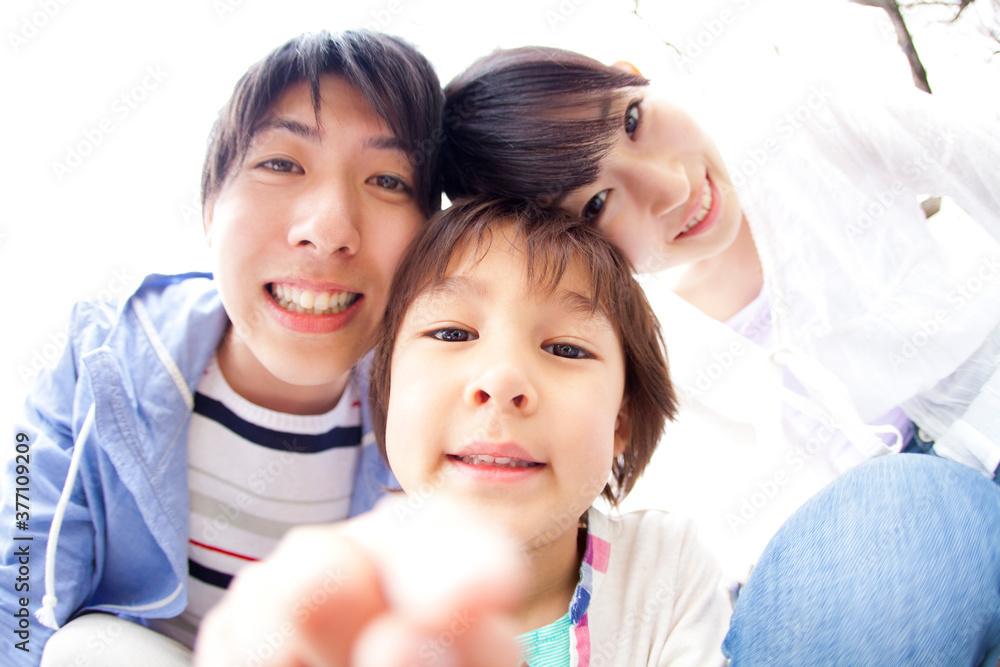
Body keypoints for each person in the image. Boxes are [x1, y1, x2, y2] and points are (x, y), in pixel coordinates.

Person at [438, 46, 1000, 664]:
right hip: (851, 557)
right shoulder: (617, 341)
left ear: (632, 75)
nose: (673, 185)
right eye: (597, 203)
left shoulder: (805, 115)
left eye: (631, 120)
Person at [0, 29, 443, 666]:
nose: (328, 230)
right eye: (282, 164)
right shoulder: (101, 359)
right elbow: (19, 598)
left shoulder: (436, 414)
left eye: (387, 180)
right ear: (210, 207)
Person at [194, 196, 733, 666]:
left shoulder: (665, 567)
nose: (501, 380)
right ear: (386, 391)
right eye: (452, 333)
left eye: (566, 348)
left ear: (620, 421)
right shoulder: (347, 598)